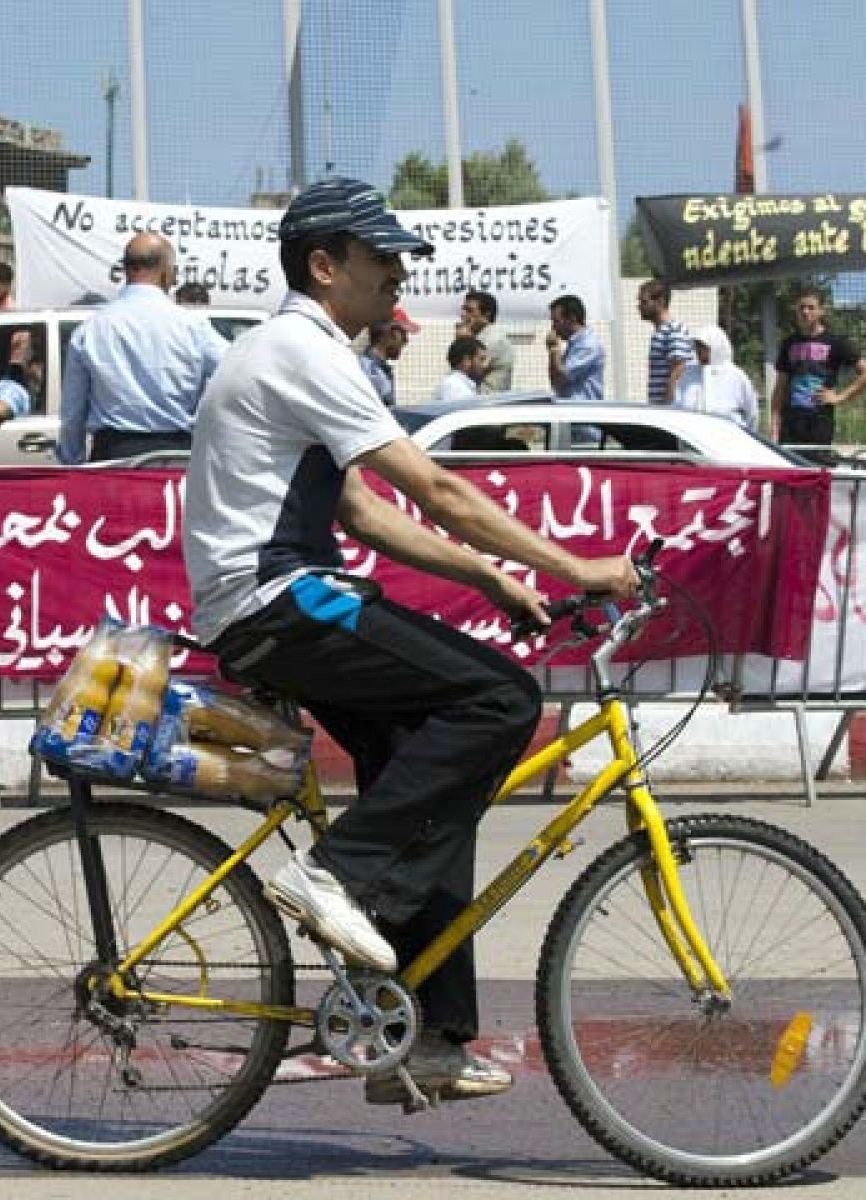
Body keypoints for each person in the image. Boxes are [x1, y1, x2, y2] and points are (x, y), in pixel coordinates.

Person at [182, 175, 637, 1107]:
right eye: (381, 258)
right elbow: (438, 492)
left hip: (280, 602)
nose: (398, 275)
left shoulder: (301, 352)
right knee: (502, 699)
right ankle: (335, 875)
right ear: (324, 265)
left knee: (432, 793)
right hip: (279, 602)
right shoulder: (302, 350)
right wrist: (577, 568)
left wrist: (491, 577)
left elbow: (360, 509)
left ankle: (426, 1039)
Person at [57, 231, 227, 464]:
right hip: (175, 461)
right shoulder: (194, 328)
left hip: (112, 461)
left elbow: (72, 414)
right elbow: (234, 373)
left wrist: (71, 463)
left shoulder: (90, 330)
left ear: (126, 270)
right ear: (167, 272)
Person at [772, 289, 866, 448]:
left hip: (819, 423)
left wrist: (839, 397)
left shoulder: (835, 342)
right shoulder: (788, 343)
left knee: (817, 469)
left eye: (811, 307)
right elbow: (780, 387)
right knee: (791, 470)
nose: (805, 312)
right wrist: (774, 424)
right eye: (801, 308)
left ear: (821, 311)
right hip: (790, 424)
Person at [675, 325, 759, 431]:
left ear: (716, 346)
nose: (698, 350)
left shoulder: (735, 376)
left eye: (703, 346)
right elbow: (677, 407)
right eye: (697, 346)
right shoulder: (688, 374)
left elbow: (752, 414)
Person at [637, 278, 693, 405]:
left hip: (669, 411)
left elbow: (679, 369)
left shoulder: (674, 329)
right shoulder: (661, 331)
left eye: (644, 301)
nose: (639, 306)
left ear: (660, 301)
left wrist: (667, 407)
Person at [545, 294, 604, 403]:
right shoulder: (574, 345)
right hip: (571, 411)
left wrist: (554, 350)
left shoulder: (588, 345)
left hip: (584, 413)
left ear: (572, 318)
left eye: (556, 321)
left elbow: (561, 377)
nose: (553, 327)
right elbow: (555, 382)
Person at [357, 307, 418, 406]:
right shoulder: (371, 372)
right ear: (392, 334)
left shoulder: (374, 368)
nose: (406, 340)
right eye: (404, 334)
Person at [460, 289, 513, 393]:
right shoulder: (478, 336)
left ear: (486, 314)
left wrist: (463, 342)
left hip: (488, 402)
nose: (463, 314)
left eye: (469, 310)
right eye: (463, 309)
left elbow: (468, 372)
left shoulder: (493, 338)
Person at [431, 334, 487, 406]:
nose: (485, 365)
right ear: (466, 360)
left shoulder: (458, 384)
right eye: (481, 359)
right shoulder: (455, 388)